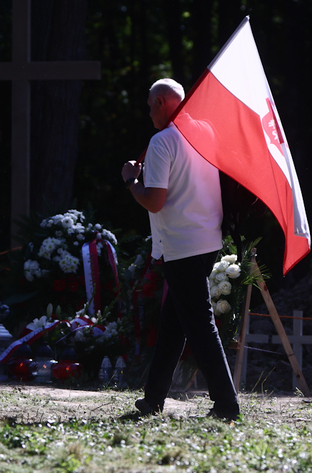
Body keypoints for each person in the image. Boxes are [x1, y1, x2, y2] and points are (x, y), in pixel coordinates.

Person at [121, 78, 241, 421]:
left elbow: (154, 202)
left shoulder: (162, 141)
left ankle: (227, 404)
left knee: (199, 323)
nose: (147, 112)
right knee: (175, 322)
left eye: (149, 105)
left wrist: (132, 181)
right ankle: (153, 399)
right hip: (206, 241)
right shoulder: (204, 132)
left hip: (181, 244)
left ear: (161, 102)